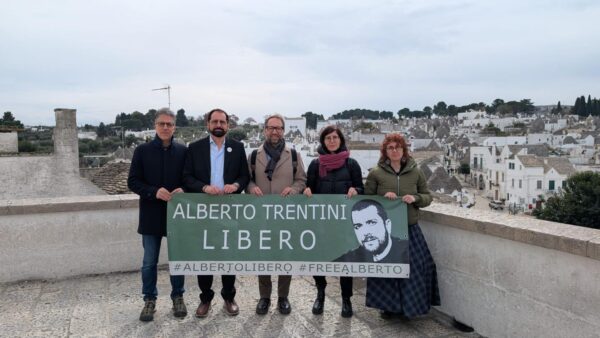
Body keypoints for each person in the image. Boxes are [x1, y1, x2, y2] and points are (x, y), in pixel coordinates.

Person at [363, 133, 440, 319]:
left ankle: (410, 307)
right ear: (385, 151)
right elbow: (366, 200)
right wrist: (382, 199)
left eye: (398, 147)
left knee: (416, 269)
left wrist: (415, 198)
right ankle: (388, 308)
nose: (395, 150)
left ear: (404, 149)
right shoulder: (376, 173)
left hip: (410, 228)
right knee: (386, 270)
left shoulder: (416, 172)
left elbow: (427, 196)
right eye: (390, 147)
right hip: (386, 231)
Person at [182, 108, 250, 318]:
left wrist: (236, 185)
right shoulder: (194, 148)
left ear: (228, 125)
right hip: (204, 210)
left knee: (228, 255)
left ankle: (229, 297)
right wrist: (204, 188)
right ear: (208, 124)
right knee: (206, 255)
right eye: (215, 122)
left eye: (222, 122)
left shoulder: (238, 147)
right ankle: (205, 299)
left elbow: (244, 176)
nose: (219, 125)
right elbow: (186, 177)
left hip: (230, 210)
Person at [127, 108, 188, 322]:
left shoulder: (183, 151)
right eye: (161, 124)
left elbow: (189, 179)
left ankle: (178, 297)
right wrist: (154, 191)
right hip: (151, 215)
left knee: (178, 260)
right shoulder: (141, 151)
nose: (165, 127)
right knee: (149, 262)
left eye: (169, 124)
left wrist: (184, 189)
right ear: (155, 126)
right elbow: (132, 182)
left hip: (177, 216)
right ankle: (149, 300)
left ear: (174, 127)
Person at [247, 114, 306, 315]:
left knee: (284, 256)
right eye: (271, 128)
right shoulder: (254, 155)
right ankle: (264, 297)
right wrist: (251, 187)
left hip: (285, 215)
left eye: (279, 128)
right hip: (261, 215)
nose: (275, 131)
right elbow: (247, 179)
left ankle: (283, 297)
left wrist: (294, 190)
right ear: (264, 130)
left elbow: (301, 180)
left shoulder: (295, 155)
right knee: (263, 257)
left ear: (283, 130)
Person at [303, 125, 363, 318]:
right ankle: (320, 294)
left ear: (340, 140)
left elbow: (360, 188)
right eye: (328, 138)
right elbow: (308, 188)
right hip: (321, 223)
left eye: (335, 137)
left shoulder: (351, 164)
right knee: (318, 261)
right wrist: (307, 191)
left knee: (345, 262)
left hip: (344, 223)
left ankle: (346, 299)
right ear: (323, 142)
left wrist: (356, 191)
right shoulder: (315, 164)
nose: (331, 141)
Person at [334, 199, 408, 264]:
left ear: (387, 225)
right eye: (358, 226)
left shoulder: (406, 251)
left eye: (371, 223)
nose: (365, 232)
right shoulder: (357, 254)